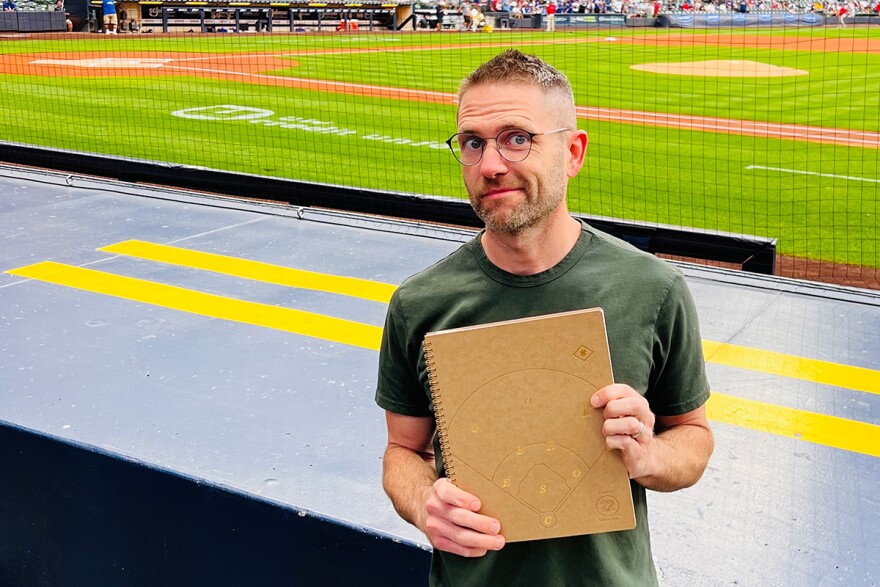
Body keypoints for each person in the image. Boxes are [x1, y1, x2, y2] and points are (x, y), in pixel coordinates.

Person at [376, 49, 713, 586]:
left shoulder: (652, 290)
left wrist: (650, 456)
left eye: (517, 137)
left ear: (573, 152)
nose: (490, 164)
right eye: (472, 142)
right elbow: (402, 451)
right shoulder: (420, 304)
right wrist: (423, 504)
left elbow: (692, 437)